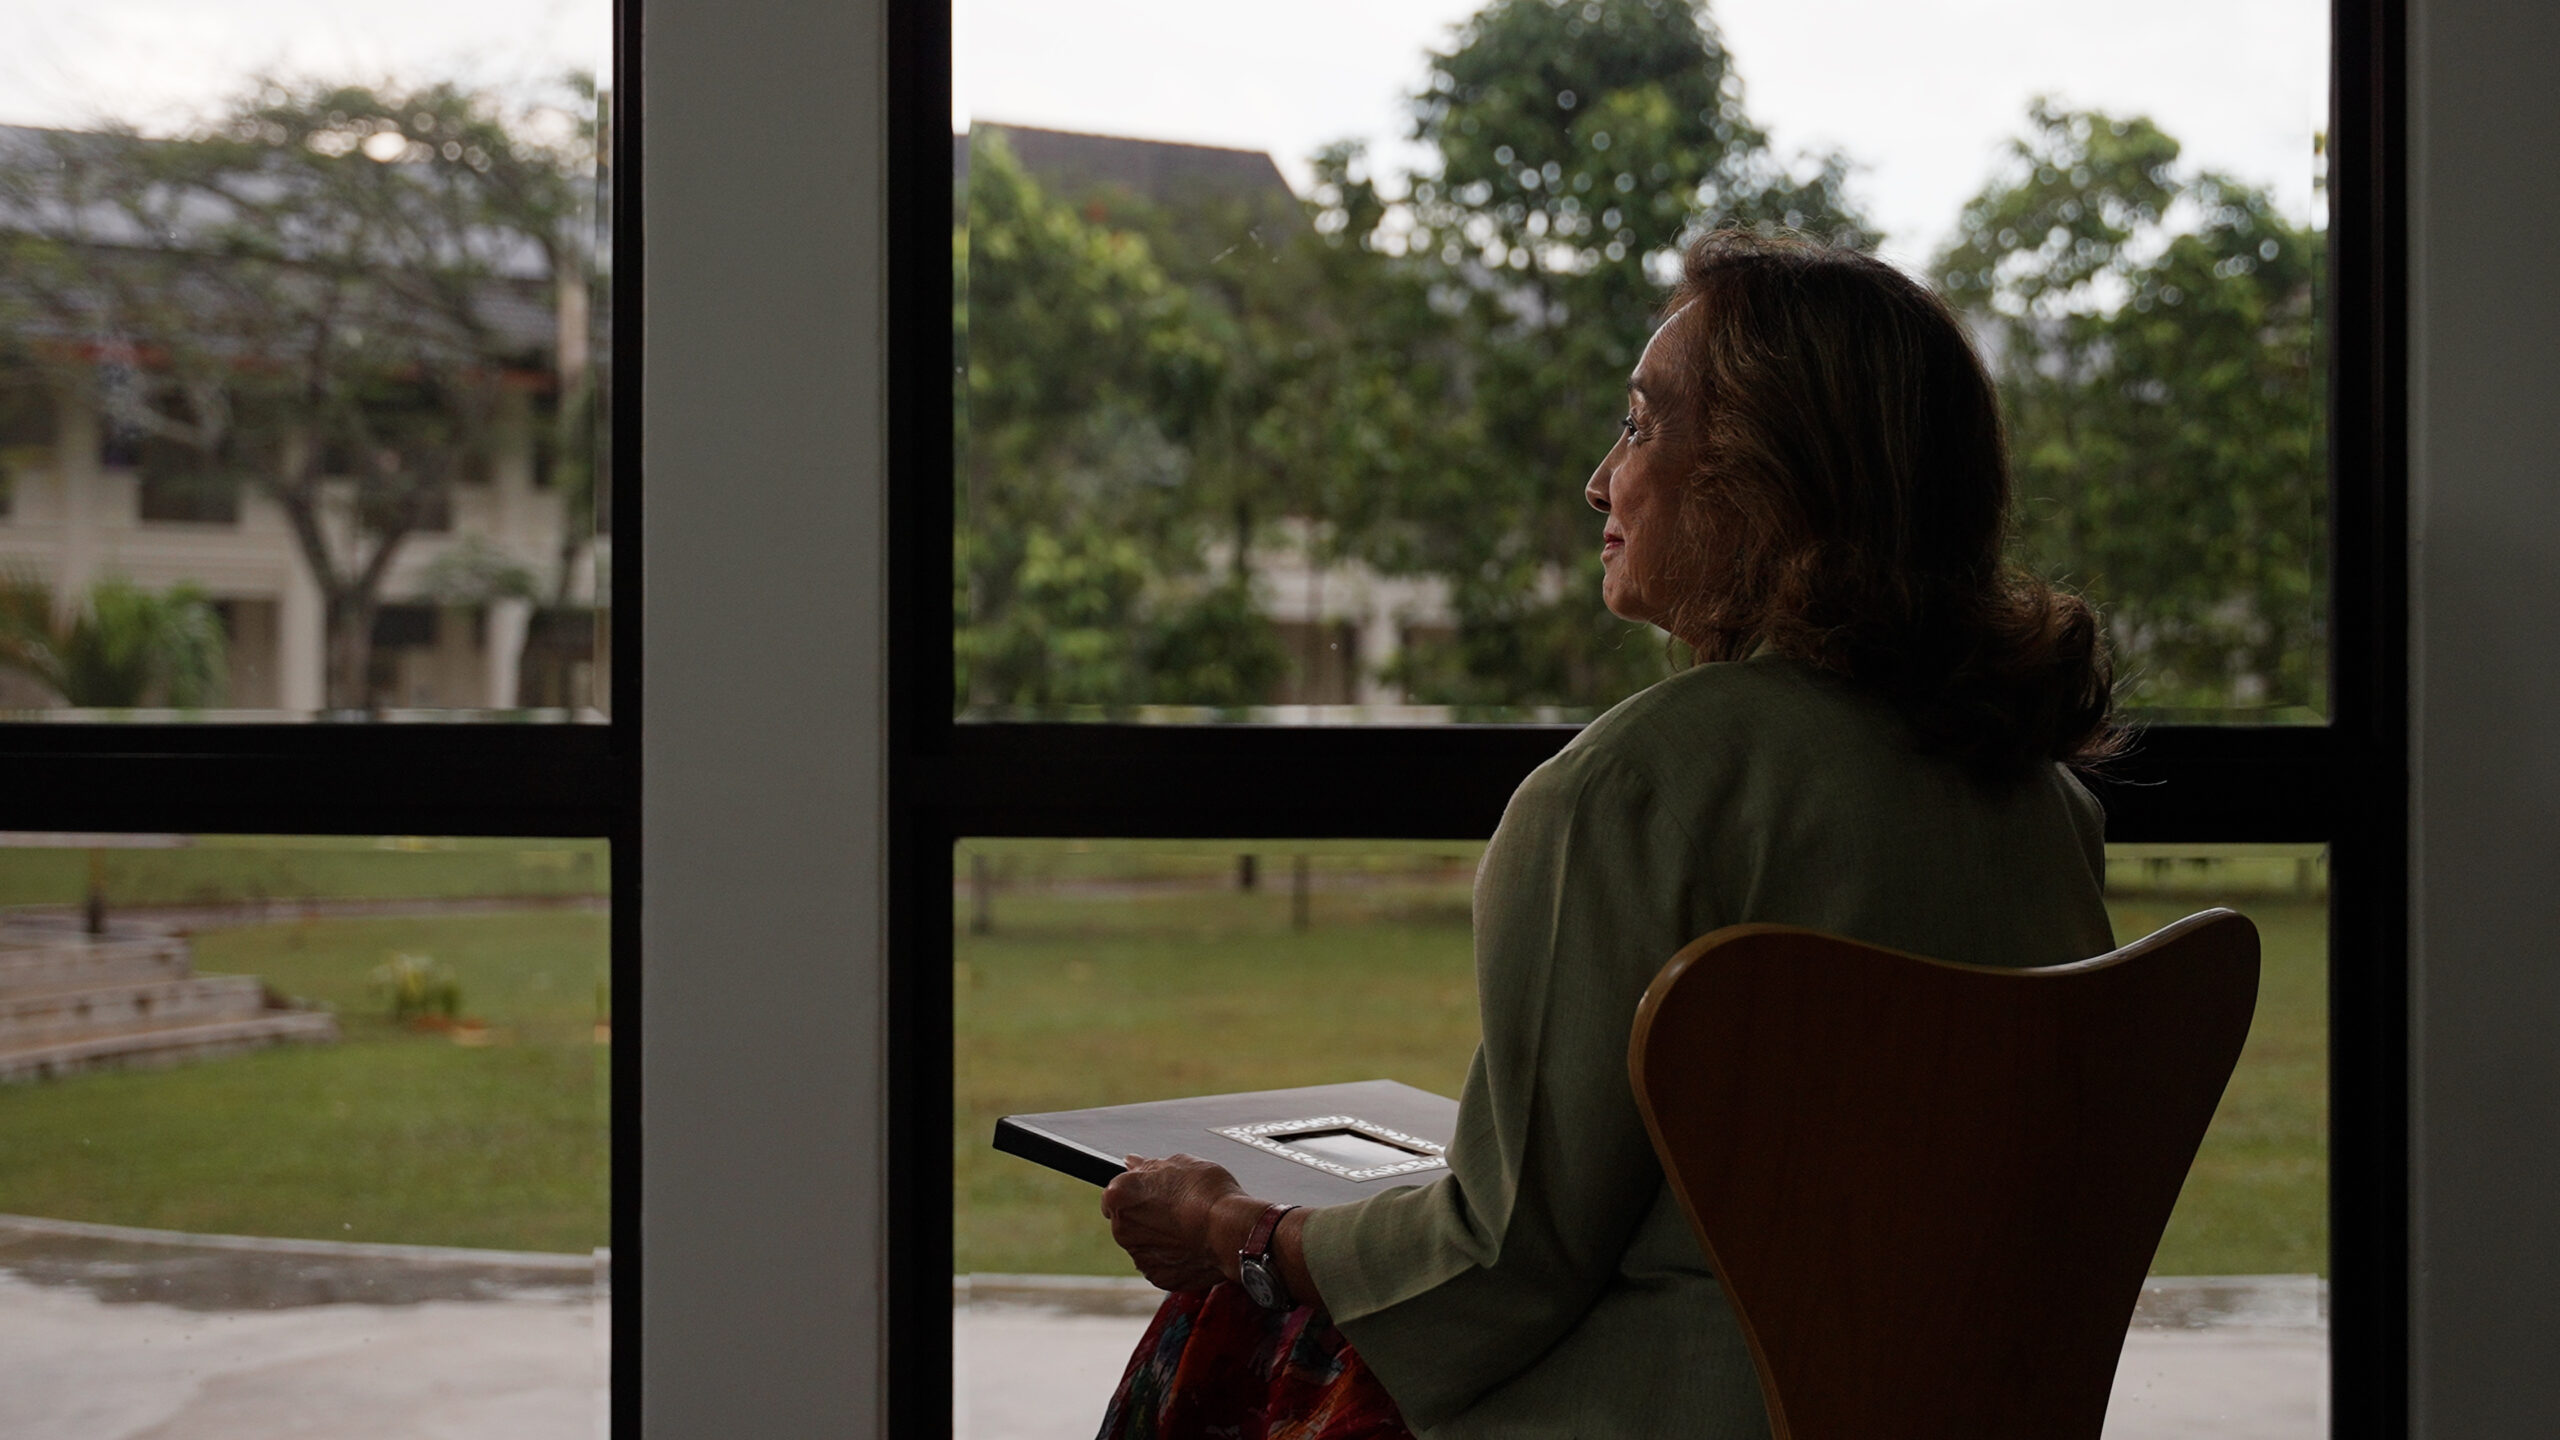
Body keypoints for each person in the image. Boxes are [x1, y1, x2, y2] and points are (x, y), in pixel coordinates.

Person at [1094, 230, 2120, 1440]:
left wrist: (1233, 1229)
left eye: (1637, 427)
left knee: (1220, 1319)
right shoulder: (2046, 809)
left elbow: (1500, 1263)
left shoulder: (1632, 791)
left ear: (1759, 474)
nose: (1598, 481)